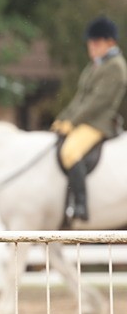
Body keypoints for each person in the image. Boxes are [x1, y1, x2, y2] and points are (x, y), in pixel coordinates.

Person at [50, 16, 127, 222]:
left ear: (110, 42)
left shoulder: (116, 67)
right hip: (84, 121)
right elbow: (80, 99)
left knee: (70, 152)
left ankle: (80, 205)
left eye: (96, 42)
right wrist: (63, 118)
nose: (91, 47)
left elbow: (97, 102)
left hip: (98, 123)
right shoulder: (94, 65)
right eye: (90, 43)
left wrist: (73, 122)